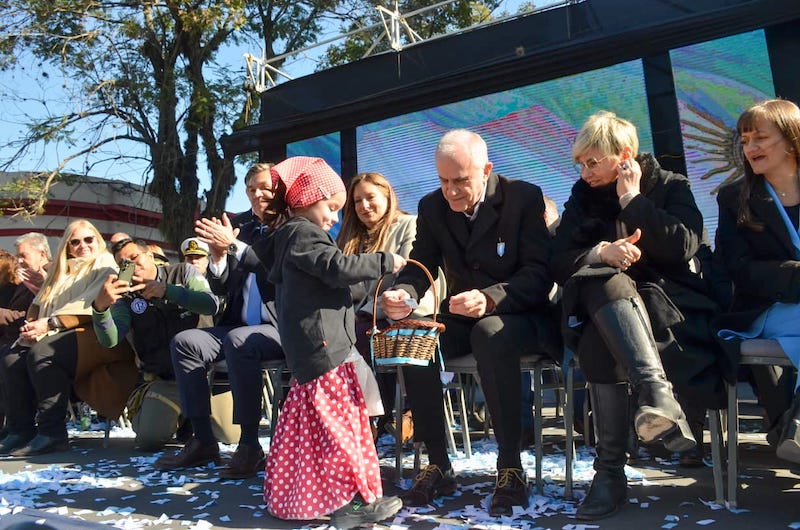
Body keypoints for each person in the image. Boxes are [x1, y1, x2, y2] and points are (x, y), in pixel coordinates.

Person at [551, 111, 725, 520]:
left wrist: (633, 201)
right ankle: (658, 397)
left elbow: (684, 246)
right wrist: (600, 252)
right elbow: (555, 260)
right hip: (609, 308)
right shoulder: (581, 197)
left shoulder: (670, 185)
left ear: (624, 156)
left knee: (598, 337)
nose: (584, 171)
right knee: (602, 280)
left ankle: (609, 473)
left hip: (671, 307)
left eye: (593, 161)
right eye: (580, 162)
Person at [381, 129, 560, 516]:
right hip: (463, 316)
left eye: (461, 181)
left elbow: (539, 271)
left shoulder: (522, 198)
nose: (451, 192)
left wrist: (493, 296)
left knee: (490, 332)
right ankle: (438, 463)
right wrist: (405, 294)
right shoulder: (431, 208)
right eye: (443, 181)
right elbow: (420, 263)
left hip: (521, 314)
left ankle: (510, 465)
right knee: (418, 340)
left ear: (486, 170)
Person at [250, 156, 403, 529]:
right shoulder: (303, 234)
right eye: (331, 207)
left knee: (314, 429)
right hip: (324, 348)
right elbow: (336, 269)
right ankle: (351, 504)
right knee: (341, 429)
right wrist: (384, 262)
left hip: (311, 351)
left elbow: (333, 285)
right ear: (307, 198)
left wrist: (367, 287)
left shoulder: (288, 239)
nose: (335, 217)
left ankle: (297, 497)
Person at [154, 162, 284, 479]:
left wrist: (233, 246)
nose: (257, 194)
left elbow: (274, 272)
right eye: (251, 189)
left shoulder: (291, 225)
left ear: (280, 188)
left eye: (264, 187)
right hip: (237, 325)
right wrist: (217, 257)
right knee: (186, 342)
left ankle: (250, 445)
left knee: (239, 341)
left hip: (280, 327)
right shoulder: (241, 227)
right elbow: (221, 287)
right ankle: (202, 439)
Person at [0, 220, 137, 456]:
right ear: (68, 246)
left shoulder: (109, 265)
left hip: (99, 335)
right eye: (75, 241)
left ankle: (52, 433)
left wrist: (50, 323)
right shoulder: (61, 270)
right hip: (59, 333)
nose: (82, 245)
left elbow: (89, 307)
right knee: (11, 357)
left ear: (97, 239)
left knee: (43, 352)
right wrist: (32, 326)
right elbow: (40, 302)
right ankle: (20, 429)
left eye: (88, 239)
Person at [714, 98, 800, 464]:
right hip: (765, 308)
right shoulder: (734, 198)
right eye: (745, 140)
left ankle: (791, 425)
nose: (750, 148)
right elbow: (738, 268)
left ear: (793, 141)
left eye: (760, 138)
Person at [91, 238, 224, 451]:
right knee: (148, 440)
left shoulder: (182, 272)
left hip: (205, 375)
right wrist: (100, 309)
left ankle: (189, 417)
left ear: (150, 255)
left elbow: (210, 305)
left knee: (229, 435)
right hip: (166, 381)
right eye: (124, 264)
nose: (131, 266)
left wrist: (168, 291)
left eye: (134, 258)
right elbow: (111, 339)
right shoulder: (125, 296)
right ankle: (177, 416)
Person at [337, 171, 441, 440]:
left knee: (364, 336)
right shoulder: (351, 240)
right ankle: (365, 416)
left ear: (387, 195)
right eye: (357, 201)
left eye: (370, 197)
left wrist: (365, 310)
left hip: (404, 311)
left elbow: (408, 274)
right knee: (341, 336)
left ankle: (397, 414)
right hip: (368, 317)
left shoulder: (407, 224)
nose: (364, 206)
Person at [15, 232, 51, 296]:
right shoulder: (25, 278)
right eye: (17, 256)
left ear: (42, 255)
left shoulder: (56, 275)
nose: (19, 261)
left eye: (23, 255)